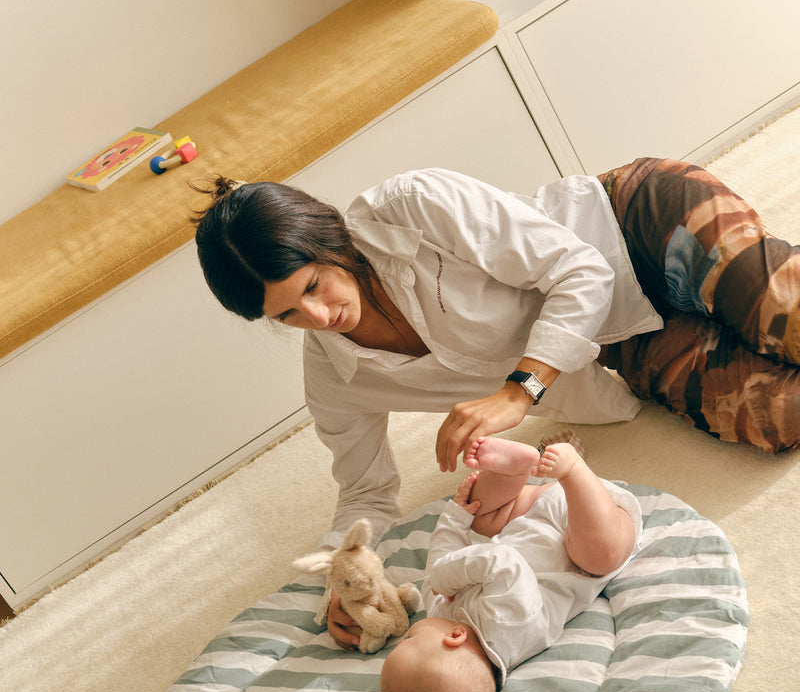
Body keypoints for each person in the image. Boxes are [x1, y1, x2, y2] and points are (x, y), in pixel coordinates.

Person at [193, 159, 800, 648]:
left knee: (786, 315)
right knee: (776, 416)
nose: (320, 317)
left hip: (633, 225)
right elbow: (364, 494)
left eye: (312, 287)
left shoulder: (412, 204)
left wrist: (521, 391)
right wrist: (344, 578)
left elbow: (580, 270)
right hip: (620, 346)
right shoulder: (334, 374)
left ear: (324, 240)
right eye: (289, 315)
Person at [379, 436, 641, 692]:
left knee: (479, 516)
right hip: (584, 525)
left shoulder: (441, 614)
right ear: (454, 638)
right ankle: (573, 468)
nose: (410, 632)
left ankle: (513, 471)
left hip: (529, 514)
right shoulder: (508, 628)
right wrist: (441, 578)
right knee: (601, 555)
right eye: (409, 642)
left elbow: (442, 560)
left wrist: (456, 517)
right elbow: (502, 560)